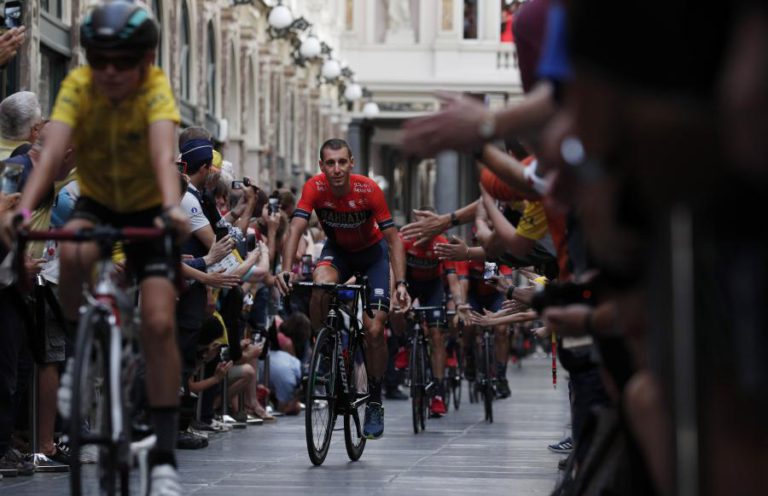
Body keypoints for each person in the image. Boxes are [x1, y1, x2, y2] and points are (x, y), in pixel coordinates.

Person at [1, 2, 188, 494]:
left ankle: (163, 451)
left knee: (160, 321)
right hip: (99, 202)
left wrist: (172, 208)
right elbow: (48, 156)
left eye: (120, 60)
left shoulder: (154, 89)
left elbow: (164, 154)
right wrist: (21, 212)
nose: (108, 71)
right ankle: (83, 350)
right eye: (99, 58)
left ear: (144, 59)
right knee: (75, 258)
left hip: (148, 206)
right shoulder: (79, 87)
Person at [276, 138, 411, 439]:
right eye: (330, 163)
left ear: (351, 163)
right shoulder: (314, 187)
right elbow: (296, 228)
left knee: (375, 329)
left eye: (341, 162)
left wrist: (400, 283)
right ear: (321, 166)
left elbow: (393, 239)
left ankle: (375, 399)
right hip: (338, 252)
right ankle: (324, 347)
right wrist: (285, 270)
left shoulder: (369, 190)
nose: (336, 169)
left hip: (373, 255)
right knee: (320, 285)